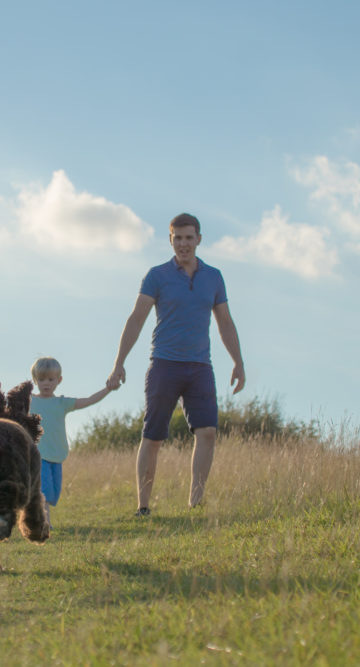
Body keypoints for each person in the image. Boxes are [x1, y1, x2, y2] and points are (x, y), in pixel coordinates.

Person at [107, 213, 245, 516]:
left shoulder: (214, 277)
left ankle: (195, 503)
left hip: (200, 368)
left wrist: (238, 361)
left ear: (198, 239)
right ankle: (143, 506)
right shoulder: (156, 275)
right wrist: (119, 363)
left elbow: (225, 322)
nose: (183, 243)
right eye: (177, 238)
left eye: (188, 237)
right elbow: (136, 319)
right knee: (153, 436)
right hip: (164, 365)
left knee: (207, 432)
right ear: (171, 240)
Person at [29, 356, 119, 528]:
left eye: (50, 379)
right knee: (44, 491)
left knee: (54, 493)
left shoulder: (62, 403)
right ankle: (44, 522)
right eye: (41, 379)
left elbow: (89, 400)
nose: (46, 383)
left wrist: (107, 389)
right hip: (38, 454)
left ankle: (35, 514)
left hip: (57, 454)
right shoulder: (30, 401)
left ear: (59, 380)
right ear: (35, 380)